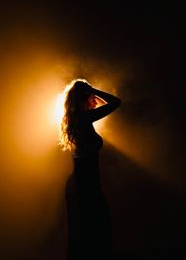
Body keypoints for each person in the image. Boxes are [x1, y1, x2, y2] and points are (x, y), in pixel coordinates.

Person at [58, 78, 121, 260]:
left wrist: (89, 92)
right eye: (91, 97)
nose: (95, 100)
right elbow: (116, 102)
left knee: (83, 231)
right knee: (96, 228)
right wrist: (93, 89)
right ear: (84, 99)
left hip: (80, 181)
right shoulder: (84, 118)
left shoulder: (75, 119)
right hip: (85, 183)